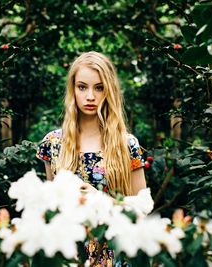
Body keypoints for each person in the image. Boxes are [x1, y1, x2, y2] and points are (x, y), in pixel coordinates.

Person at [36, 51, 146, 266]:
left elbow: (140, 212)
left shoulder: (127, 144)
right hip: (69, 255)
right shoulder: (53, 143)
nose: (90, 96)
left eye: (99, 87)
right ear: (73, 89)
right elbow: (50, 209)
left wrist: (100, 200)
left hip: (113, 256)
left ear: (109, 91)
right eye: (82, 87)